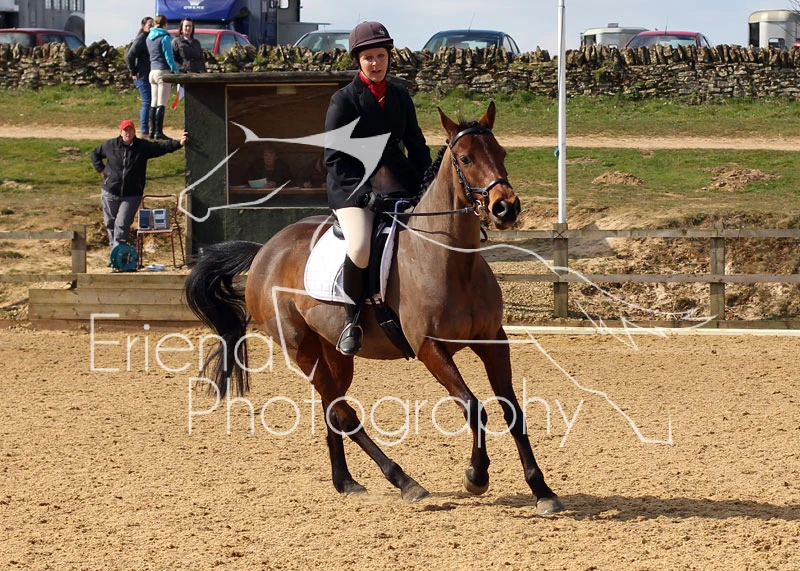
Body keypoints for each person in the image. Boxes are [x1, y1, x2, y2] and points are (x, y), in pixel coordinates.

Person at [324, 21, 432, 355]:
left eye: (381, 56)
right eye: (369, 57)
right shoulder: (343, 100)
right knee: (359, 247)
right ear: (358, 60)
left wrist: (427, 181)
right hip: (353, 188)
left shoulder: (399, 95)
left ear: (389, 57)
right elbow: (334, 159)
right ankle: (352, 320)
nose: (376, 63)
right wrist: (364, 197)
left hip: (398, 182)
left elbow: (416, 144)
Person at [90, 119, 188, 258]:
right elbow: (95, 154)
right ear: (120, 132)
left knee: (122, 223)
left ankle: (118, 256)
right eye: (125, 130)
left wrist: (178, 143)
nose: (128, 133)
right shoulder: (110, 145)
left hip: (132, 194)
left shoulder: (142, 146)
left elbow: (161, 147)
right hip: (110, 192)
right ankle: (115, 254)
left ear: (134, 131)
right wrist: (102, 171)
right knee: (110, 223)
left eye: (130, 130)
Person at [146, 14, 179, 140]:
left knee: (153, 103)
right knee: (161, 103)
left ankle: (152, 131)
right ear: (165, 24)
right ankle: (158, 132)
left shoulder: (149, 37)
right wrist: (175, 70)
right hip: (162, 71)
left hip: (152, 71)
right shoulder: (164, 37)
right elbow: (168, 56)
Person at [125, 16, 154, 138]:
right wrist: (133, 71)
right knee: (147, 102)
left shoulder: (151, 38)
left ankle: (150, 129)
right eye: (149, 25)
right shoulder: (141, 38)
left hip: (149, 75)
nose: (151, 27)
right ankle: (144, 130)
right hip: (141, 76)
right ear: (143, 26)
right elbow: (130, 56)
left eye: (153, 25)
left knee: (151, 103)